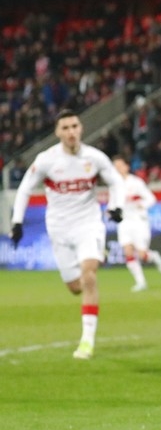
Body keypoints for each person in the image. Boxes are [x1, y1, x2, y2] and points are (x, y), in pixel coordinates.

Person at [9, 109, 125, 360]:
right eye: (66, 128)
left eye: (74, 126)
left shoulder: (95, 158)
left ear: (81, 128)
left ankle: (87, 341)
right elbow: (25, 189)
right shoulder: (47, 160)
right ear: (57, 132)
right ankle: (93, 264)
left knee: (89, 276)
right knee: (75, 287)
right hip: (59, 228)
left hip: (89, 224)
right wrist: (17, 222)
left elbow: (116, 181)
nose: (71, 132)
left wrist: (116, 206)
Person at [112, 156, 161, 292]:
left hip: (138, 221)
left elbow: (151, 198)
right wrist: (110, 212)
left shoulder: (136, 182)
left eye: (120, 166)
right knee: (128, 252)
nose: (117, 169)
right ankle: (140, 282)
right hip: (124, 222)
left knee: (142, 255)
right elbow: (112, 204)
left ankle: (154, 256)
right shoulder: (113, 185)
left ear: (126, 167)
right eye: (115, 166)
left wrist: (141, 204)